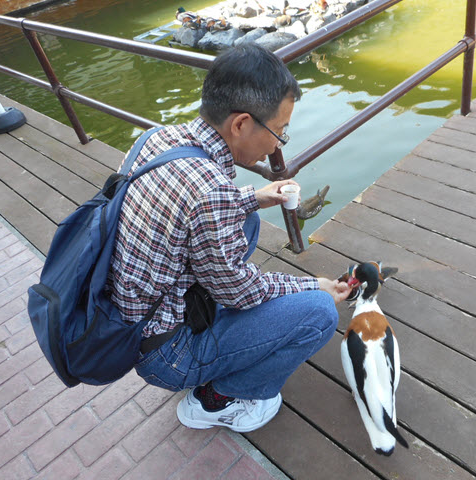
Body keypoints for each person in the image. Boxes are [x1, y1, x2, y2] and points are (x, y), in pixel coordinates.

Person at [107, 44, 352, 433]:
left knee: (248, 221)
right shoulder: (211, 193)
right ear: (240, 124)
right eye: (280, 131)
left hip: (131, 319)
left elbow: (195, 203)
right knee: (318, 312)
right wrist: (313, 284)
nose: (277, 144)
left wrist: (255, 197)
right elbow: (241, 291)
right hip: (167, 355)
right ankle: (218, 398)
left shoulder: (158, 138)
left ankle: (221, 353)